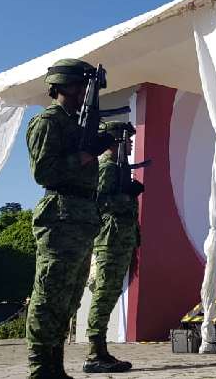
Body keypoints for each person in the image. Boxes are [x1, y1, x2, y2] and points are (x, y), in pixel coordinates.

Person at [25, 59, 116, 379]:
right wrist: (87, 153)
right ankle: (40, 368)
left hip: (80, 215)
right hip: (60, 213)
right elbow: (43, 172)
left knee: (70, 296)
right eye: (78, 85)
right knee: (49, 293)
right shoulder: (48, 122)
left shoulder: (77, 124)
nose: (82, 92)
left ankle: (55, 366)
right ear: (61, 86)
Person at [83, 122, 143, 374]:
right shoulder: (107, 167)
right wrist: (125, 196)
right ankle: (95, 352)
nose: (130, 143)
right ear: (114, 141)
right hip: (109, 241)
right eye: (126, 138)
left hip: (120, 240)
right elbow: (98, 202)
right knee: (104, 293)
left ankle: (100, 349)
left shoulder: (119, 169)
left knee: (109, 293)